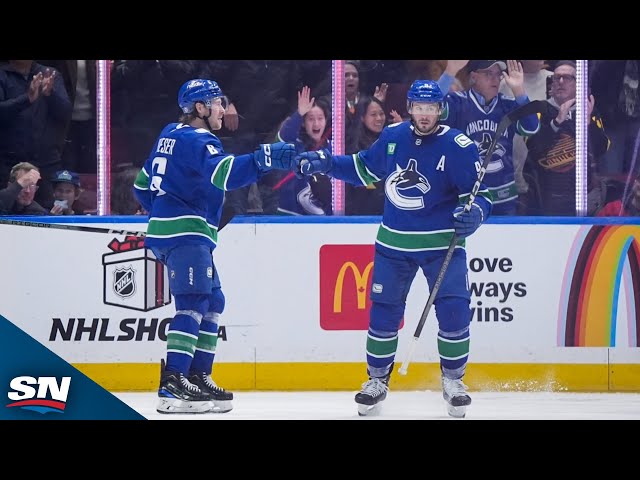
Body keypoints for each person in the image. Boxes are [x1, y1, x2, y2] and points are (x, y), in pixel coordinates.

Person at [295, 80, 492, 418]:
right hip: (393, 245)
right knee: (383, 313)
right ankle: (376, 380)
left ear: (440, 109)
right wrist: (326, 163)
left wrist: (475, 214)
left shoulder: (459, 146)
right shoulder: (393, 136)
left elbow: (479, 195)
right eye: (419, 107)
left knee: (455, 311)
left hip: (442, 247)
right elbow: (362, 168)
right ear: (411, 107)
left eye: (431, 108)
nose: (425, 115)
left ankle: (454, 381)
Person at [132, 79, 296, 414]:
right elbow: (225, 174)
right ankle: (173, 383)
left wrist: (163, 211)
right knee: (193, 301)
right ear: (200, 108)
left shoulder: (169, 134)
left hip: (176, 231)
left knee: (213, 299)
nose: (223, 108)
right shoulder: (200, 139)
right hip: (187, 233)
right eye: (217, 102)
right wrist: (264, 158)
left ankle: (198, 374)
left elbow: (141, 185)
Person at [437, 60, 540, 215]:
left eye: (498, 74)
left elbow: (531, 128)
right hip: (466, 194)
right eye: (488, 73)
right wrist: (449, 72)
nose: (495, 79)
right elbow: (428, 105)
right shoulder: (457, 102)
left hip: (504, 196)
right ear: (474, 76)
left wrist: (519, 91)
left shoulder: (508, 104)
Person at [522, 60, 610, 216]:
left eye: (568, 78)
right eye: (557, 78)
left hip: (580, 199)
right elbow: (534, 149)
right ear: (551, 84)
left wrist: (588, 123)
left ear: (578, 85)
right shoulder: (538, 109)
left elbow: (601, 149)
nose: (561, 82)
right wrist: (556, 122)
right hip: (543, 198)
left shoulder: (589, 111)